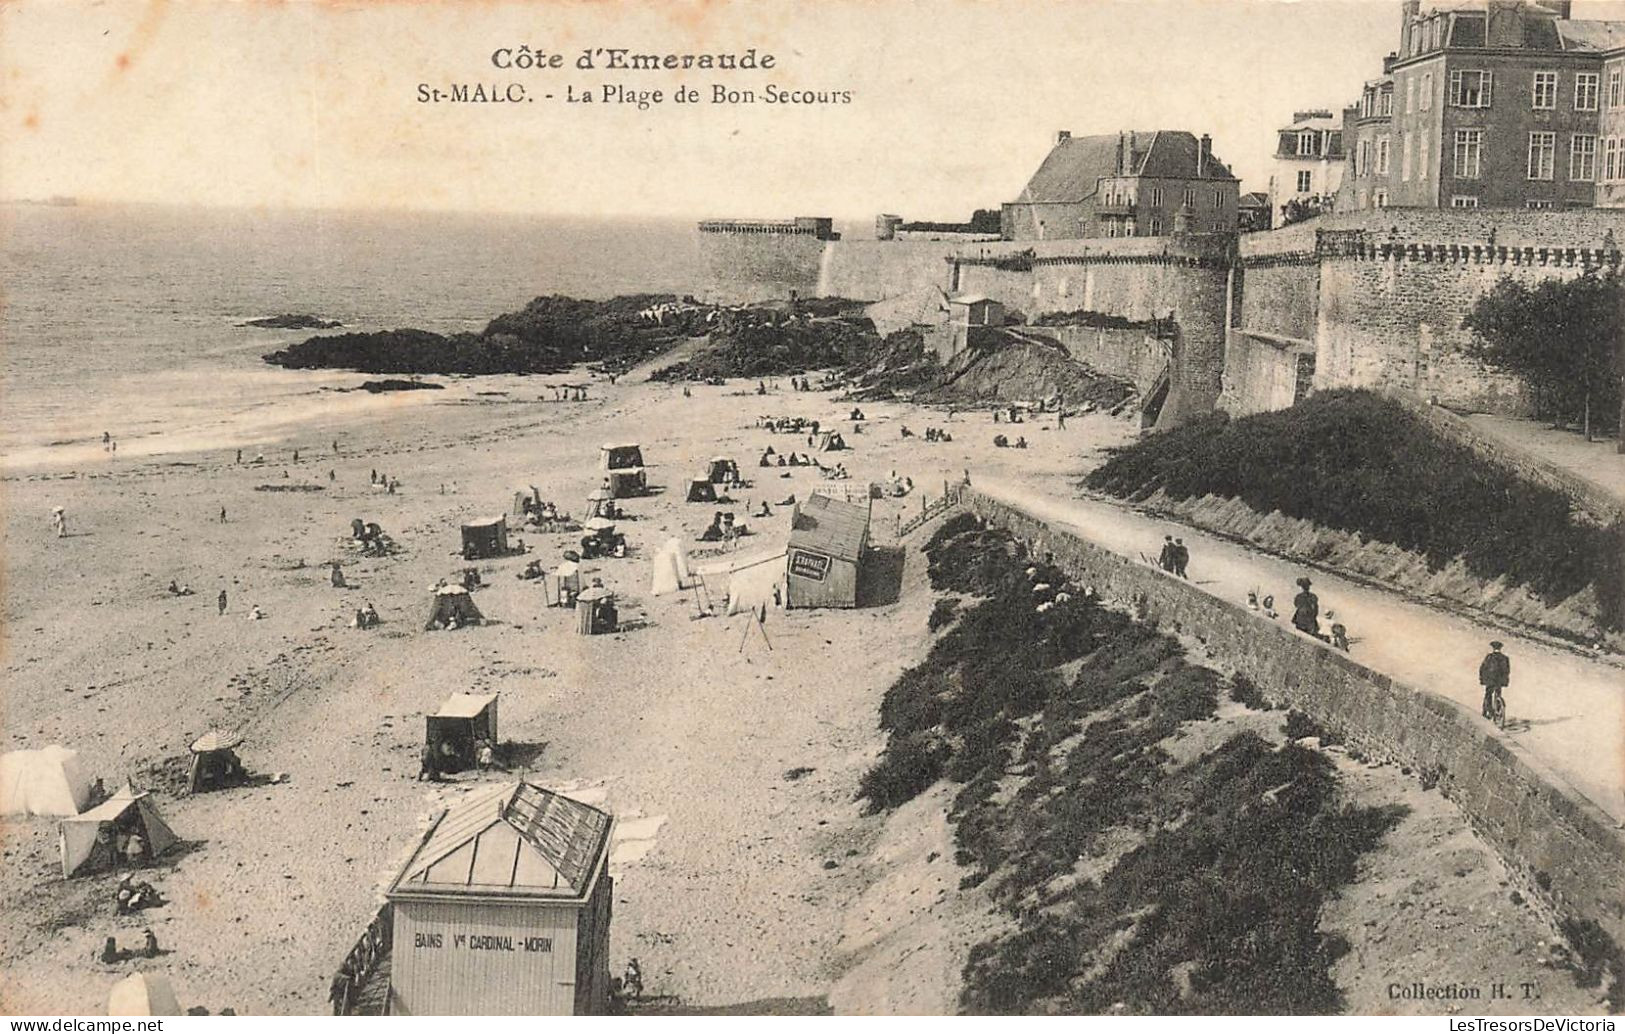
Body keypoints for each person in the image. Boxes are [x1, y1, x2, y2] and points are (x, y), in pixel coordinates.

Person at [1479, 641, 1510, 721]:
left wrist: (1482, 678)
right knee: (1498, 693)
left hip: (1490, 680)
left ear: (1493, 648)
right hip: (1500, 681)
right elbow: (1507, 671)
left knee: (1488, 694)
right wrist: (1505, 680)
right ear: (1500, 648)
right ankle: (1498, 710)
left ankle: (1489, 712)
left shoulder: (1489, 657)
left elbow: (1482, 668)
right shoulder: (1505, 658)